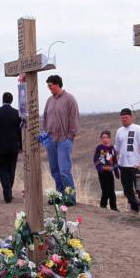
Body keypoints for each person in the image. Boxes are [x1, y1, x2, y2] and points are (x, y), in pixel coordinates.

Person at [43, 75, 79, 203]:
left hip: (64, 140)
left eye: (50, 85)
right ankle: (58, 196)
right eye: (48, 85)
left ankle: (70, 198)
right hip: (51, 140)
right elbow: (45, 117)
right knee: (55, 170)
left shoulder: (69, 99)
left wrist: (70, 137)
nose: (48, 87)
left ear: (57, 84)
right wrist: (45, 135)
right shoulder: (49, 100)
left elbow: (74, 118)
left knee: (64, 171)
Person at [0, 92, 22, 203]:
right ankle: (8, 192)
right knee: (12, 169)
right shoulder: (17, 113)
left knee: (2, 169)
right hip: (13, 147)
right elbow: (19, 131)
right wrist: (20, 145)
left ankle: (7, 193)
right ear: (11, 100)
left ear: (2, 100)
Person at [115, 108, 140, 213]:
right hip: (123, 166)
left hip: (136, 166)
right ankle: (134, 208)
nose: (124, 119)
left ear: (131, 117)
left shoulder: (139, 129)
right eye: (122, 118)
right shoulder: (119, 131)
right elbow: (116, 147)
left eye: (126, 117)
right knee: (127, 190)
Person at [93, 130, 119, 211]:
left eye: (107, 137)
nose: (105, 139)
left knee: (112, 190)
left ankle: (114, 207)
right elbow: (96, 160)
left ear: (109, 138)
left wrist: (116, 172)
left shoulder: (112, 148)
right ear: (101, 139)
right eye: (103, 137)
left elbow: (115, 161)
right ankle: (103, 206)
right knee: (105, 190)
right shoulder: (99, 148)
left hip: (110, 172)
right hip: (102, 172)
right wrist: (101, 168)